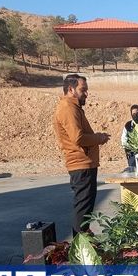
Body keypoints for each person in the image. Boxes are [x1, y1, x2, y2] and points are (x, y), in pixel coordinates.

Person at [53, 74, 110, 236]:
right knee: (83, 209)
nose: (86, 94)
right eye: (83, 90)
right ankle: (80, 246)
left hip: (85, 164)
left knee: (85, 209)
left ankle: (84, 241)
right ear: (71, 89)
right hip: (80, 165)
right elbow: (78, 138)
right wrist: (99, 138)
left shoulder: (73, 107)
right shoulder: (67, 108)